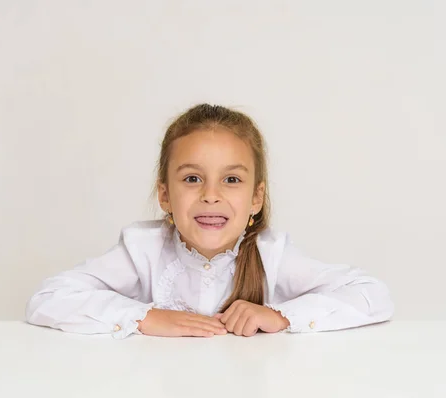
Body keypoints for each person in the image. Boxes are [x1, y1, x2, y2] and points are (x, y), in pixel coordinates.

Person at [25, 103, 394, 339]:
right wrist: (143, 317)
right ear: (165, 194)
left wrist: (280, 315)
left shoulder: (272, 255)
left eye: (231, 179)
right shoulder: (142, 249)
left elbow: (373, 294)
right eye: (192, 178)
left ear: (256, 198)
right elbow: (47, 299)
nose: (211, 195)